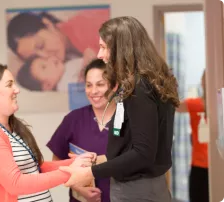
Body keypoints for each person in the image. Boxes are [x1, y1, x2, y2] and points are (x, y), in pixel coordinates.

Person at [58, 16, 180, 202]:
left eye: (104, 47)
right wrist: (97, 160)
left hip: (138, 192)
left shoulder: (140, 87)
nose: (100, 54)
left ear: (122, 49)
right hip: (145, 188)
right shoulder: (142, 84)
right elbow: (133, 143)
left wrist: (91, 172)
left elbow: (142, 153)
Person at [0, 64, 96, 202]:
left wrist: (76, 162)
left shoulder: (11, 127)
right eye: (10, 85)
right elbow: (15, 184)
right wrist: (70, 173)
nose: (17, 90)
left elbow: (35, 168)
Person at [46, 59, 117, 202]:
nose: (93, 91)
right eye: (89, 85)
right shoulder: (73, 119)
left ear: (114, 86)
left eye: (100, 84)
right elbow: (56, 163)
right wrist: (77, 186)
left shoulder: (127, 120)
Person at [176, 70, 209, 202]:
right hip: (205, 166)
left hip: (201, 167)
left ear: (202, 82)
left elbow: (175, 106)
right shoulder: (196, 104)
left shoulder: (196, 104)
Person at [16, 56, 84, 91]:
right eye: (44, 67)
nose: (50, 61)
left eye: (45, 59)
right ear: (48, 85)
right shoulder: (64, 86)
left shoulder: (65, 66)